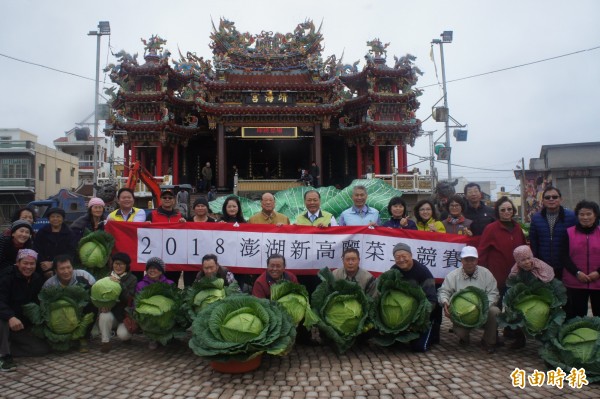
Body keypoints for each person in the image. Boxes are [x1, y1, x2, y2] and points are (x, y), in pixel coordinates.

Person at [438, 246, 501, 354]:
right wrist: (445, 302)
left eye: (472, 260)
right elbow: (444, 291)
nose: (469, 263)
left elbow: (493, 293)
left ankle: (488, 341)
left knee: (495, 311)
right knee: (461, 333)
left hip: (483, 313)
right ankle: (464, 337)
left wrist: (484, 307)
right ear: (461, 260)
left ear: (477, 260)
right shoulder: (453, 275)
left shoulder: (486, 274)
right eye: (466, 260)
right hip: (461, 315)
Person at [0, 249, 50, 372]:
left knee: (41, 349)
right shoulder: (7, 277)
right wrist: (10, 317)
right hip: (6, 321)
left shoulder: (37, 279)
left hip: (20, 325)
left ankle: (6, 346)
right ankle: (4, 356)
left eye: (32, 264)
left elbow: (40, 301)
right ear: (18, 263)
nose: (28, 267)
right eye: (25, 263)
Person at [388, 242, 440, 351]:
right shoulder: (393, 270)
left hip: (422, 317)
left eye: (404, 256)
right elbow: (385, 291)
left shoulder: (423, 273)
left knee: (419, 347)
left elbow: (432, 300)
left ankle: (433, 331)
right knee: (389, 344)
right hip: (400, 318)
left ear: (411, 256)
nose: (401, 260)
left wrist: (417, 319)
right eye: (397, 257)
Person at [506, 245, 555, 349]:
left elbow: (550, 287)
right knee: (512, 311)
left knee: (549, 315)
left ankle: (547, 342)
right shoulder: (515, 273)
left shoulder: (541, 268)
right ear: (518, 262)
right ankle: (519, 339)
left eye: (529, 258)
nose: (527, 262)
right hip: (523, 300)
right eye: (523, 260)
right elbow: (512, 291)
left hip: (542, 298)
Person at [478, 196, 527, 295]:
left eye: (509, 209)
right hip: (497, 277)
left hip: (516, 276)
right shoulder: (491, 228)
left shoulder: (517, 228)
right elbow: (482, 252)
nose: (506, 212)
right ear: (498, 212)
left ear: (513, 211)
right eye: (503, 210)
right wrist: (482, 274)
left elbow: (524, 249)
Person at [561, 200, 600, 319]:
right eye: (581, 214)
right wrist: (577, 273)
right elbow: (564, 256)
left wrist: (598, 273)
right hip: (575, 282)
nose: (585, 217)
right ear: (577, 216)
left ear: (595, 215)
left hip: (598, 282)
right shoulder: (568, 232)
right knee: (577, 317)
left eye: (589, 214)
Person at [528, 186, 576, 279]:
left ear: (561, 199)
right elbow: (534, 242)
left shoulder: (572, 217)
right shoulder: (536, 218)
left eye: (555, 197)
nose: (551, 199)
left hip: (566, 266)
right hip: (543, 266)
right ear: (543, 200)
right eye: (547, 197)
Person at [96, 252, 138, 353]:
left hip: (124, 314)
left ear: (126, 266)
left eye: (121, 264)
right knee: (104, 316)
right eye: (116, 263)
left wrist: (120, 284)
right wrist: (101, 307)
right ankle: (105, 341)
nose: (118, 266)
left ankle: (127, 337)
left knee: (124, 335)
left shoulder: (132, 279)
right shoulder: (106, 277)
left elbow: (128, 297)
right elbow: (99, 295)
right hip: (111, 312)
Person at [134, 257, 174, 350]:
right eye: (149, 268)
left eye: (155, 268)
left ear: (161, 271)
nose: (152, 270)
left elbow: (176, 302)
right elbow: (136, 302)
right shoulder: (141, 285)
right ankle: (152, 338)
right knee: (150, 315)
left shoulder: (170, 284)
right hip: (147, 317)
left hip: (166, 317)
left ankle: (167, 335)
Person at [33, 208, 77, 280]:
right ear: (49, 219)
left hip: (62, 266)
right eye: (52, 216)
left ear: (63, 218)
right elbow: (36, 248)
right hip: (43, 267)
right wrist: (44, 264)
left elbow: (71, 251)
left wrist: (53, 263)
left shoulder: (69, 233)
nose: (55, 219)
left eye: (58, 216)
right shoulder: (42, 232)